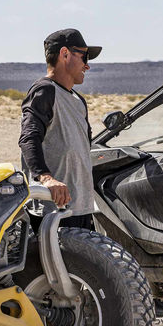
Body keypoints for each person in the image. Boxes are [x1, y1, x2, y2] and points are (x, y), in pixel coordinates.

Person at [19, 28, 102, 229]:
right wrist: (46, 178)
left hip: (81, 209)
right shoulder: (45, 90)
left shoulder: (78, 100)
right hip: (54, 213)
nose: (87, 66)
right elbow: (28, 138)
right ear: (65, 54)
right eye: (85, 57)